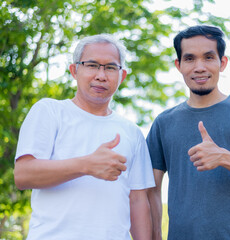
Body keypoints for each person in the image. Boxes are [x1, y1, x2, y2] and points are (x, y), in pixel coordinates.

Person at [14, 34, 154, 240]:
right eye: (92, 65)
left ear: (121, 76)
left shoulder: (131, 131)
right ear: (74, 70)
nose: (101, 75)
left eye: (110, 67)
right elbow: (23, 175)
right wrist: (86, 165)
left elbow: (138, 200)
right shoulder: (49, 111)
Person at [146, 25, 230, 240]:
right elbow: (150, 190)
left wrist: (223, 157)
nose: (199, 67)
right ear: (179, 65)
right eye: (190, 59)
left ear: (222, 63)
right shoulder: (163, 123)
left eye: (208, 57)